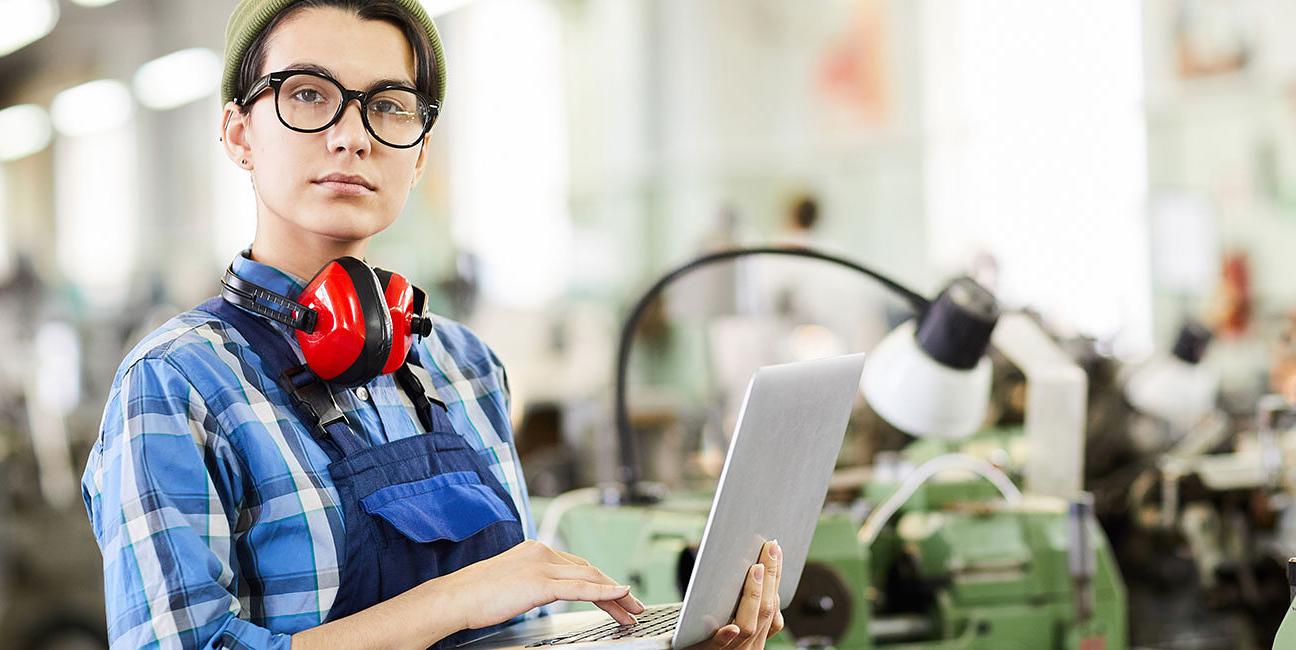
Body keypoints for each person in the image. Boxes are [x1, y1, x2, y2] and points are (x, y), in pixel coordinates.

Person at [80, 2, 785, 649]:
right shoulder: (177, 383)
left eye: (388, 106)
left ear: (419, 154)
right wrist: (458, 599)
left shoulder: (462, 364)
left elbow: (524, 632)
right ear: (239, 134)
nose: (352, 136)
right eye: (306, 96)